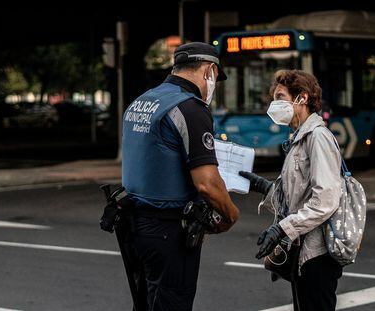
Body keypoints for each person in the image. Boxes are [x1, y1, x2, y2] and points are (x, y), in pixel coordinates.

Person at [120, 42, 240, 311]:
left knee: (148, 303)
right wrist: (230, 214)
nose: (214, 86)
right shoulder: (190, 109)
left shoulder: (143, 101)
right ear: (209, 70)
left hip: (135, 227)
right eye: (215, 79)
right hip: (169, 231)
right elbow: (207, 183)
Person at [240, 69, 343, 311]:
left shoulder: (318, 137)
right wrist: (264, 187)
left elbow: (325, 201)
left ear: (302, 98)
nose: (274, 104)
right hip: (301, 251)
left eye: (280, 97)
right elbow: (297, 195)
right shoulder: (299, 138)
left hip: (316, 254)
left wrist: (282, 228)